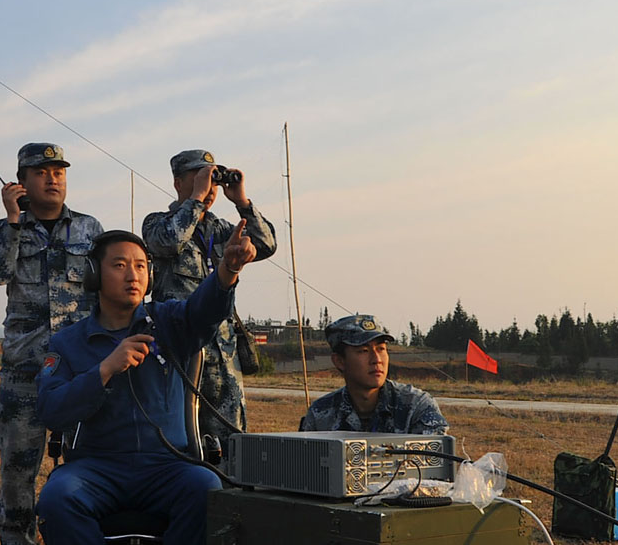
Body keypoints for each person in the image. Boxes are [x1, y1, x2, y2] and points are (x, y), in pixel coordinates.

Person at [34, 225, 257, 545]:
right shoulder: (68, 343)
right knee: (57, 499)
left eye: (140, 266)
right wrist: (103, 370)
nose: (132, 275)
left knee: (208, 490)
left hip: (166, 465)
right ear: (95, 276)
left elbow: (205, 309)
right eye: (119, 265)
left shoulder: (170, 322)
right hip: (97, 468)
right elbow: (50, 409)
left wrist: (228, 270)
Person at [0, 143, 104, 545]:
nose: (53, 178)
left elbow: (105, 289)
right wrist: (14, 221)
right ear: (21, 182)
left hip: (79, 371)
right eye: (42, 171)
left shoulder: (90, 229)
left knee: (89, 465)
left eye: (59, 171)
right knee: (18, 468)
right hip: (25, 373)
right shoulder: (5, 230)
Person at [142, 150, 276, 452]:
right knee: (179, 444)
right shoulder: (157, 223)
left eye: (213, 179)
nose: (210, 186)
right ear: (178, 183)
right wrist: (197, 200)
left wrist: (242, 202)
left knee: (233, 448)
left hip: (224, 358)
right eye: (200, 177)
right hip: (180, 355)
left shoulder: (221, 230)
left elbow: (267, 245)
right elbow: (167, 242)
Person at [301, 314, 448, 434]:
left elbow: (435, 466)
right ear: (339, 361)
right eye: (363, 351)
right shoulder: (320, 415)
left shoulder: (416, 407)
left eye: (381, 349)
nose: (376, 360)